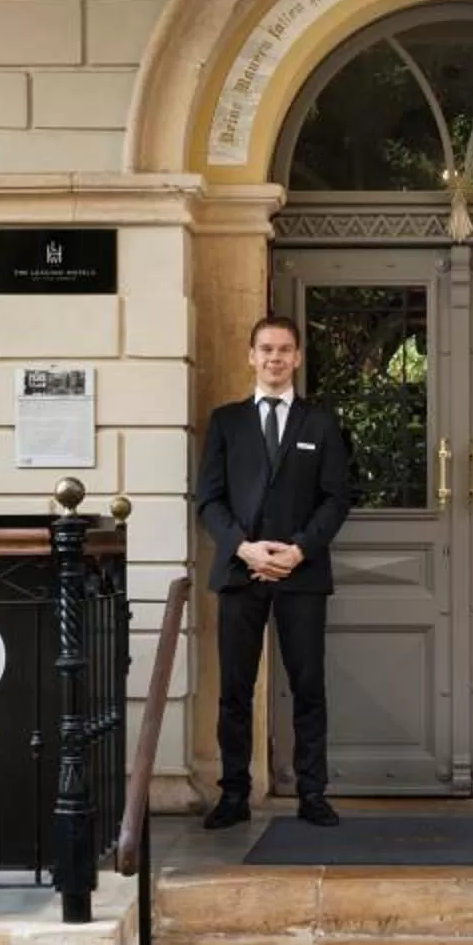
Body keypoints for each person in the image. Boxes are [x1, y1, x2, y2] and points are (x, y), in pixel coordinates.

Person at [192, 313, 355, 828]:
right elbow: (208, 501)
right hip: (240, 574)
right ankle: (234, 794)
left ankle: (312, 793)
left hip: (301, 576)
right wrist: (244, 549)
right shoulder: (226, 422)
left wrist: (298, 551)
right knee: (235, 691)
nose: (275, 358)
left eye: (284, 349)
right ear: (251, 355)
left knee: (308, 686)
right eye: (266, 349)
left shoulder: (321, 422)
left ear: (298, 357)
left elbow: (336, 499)